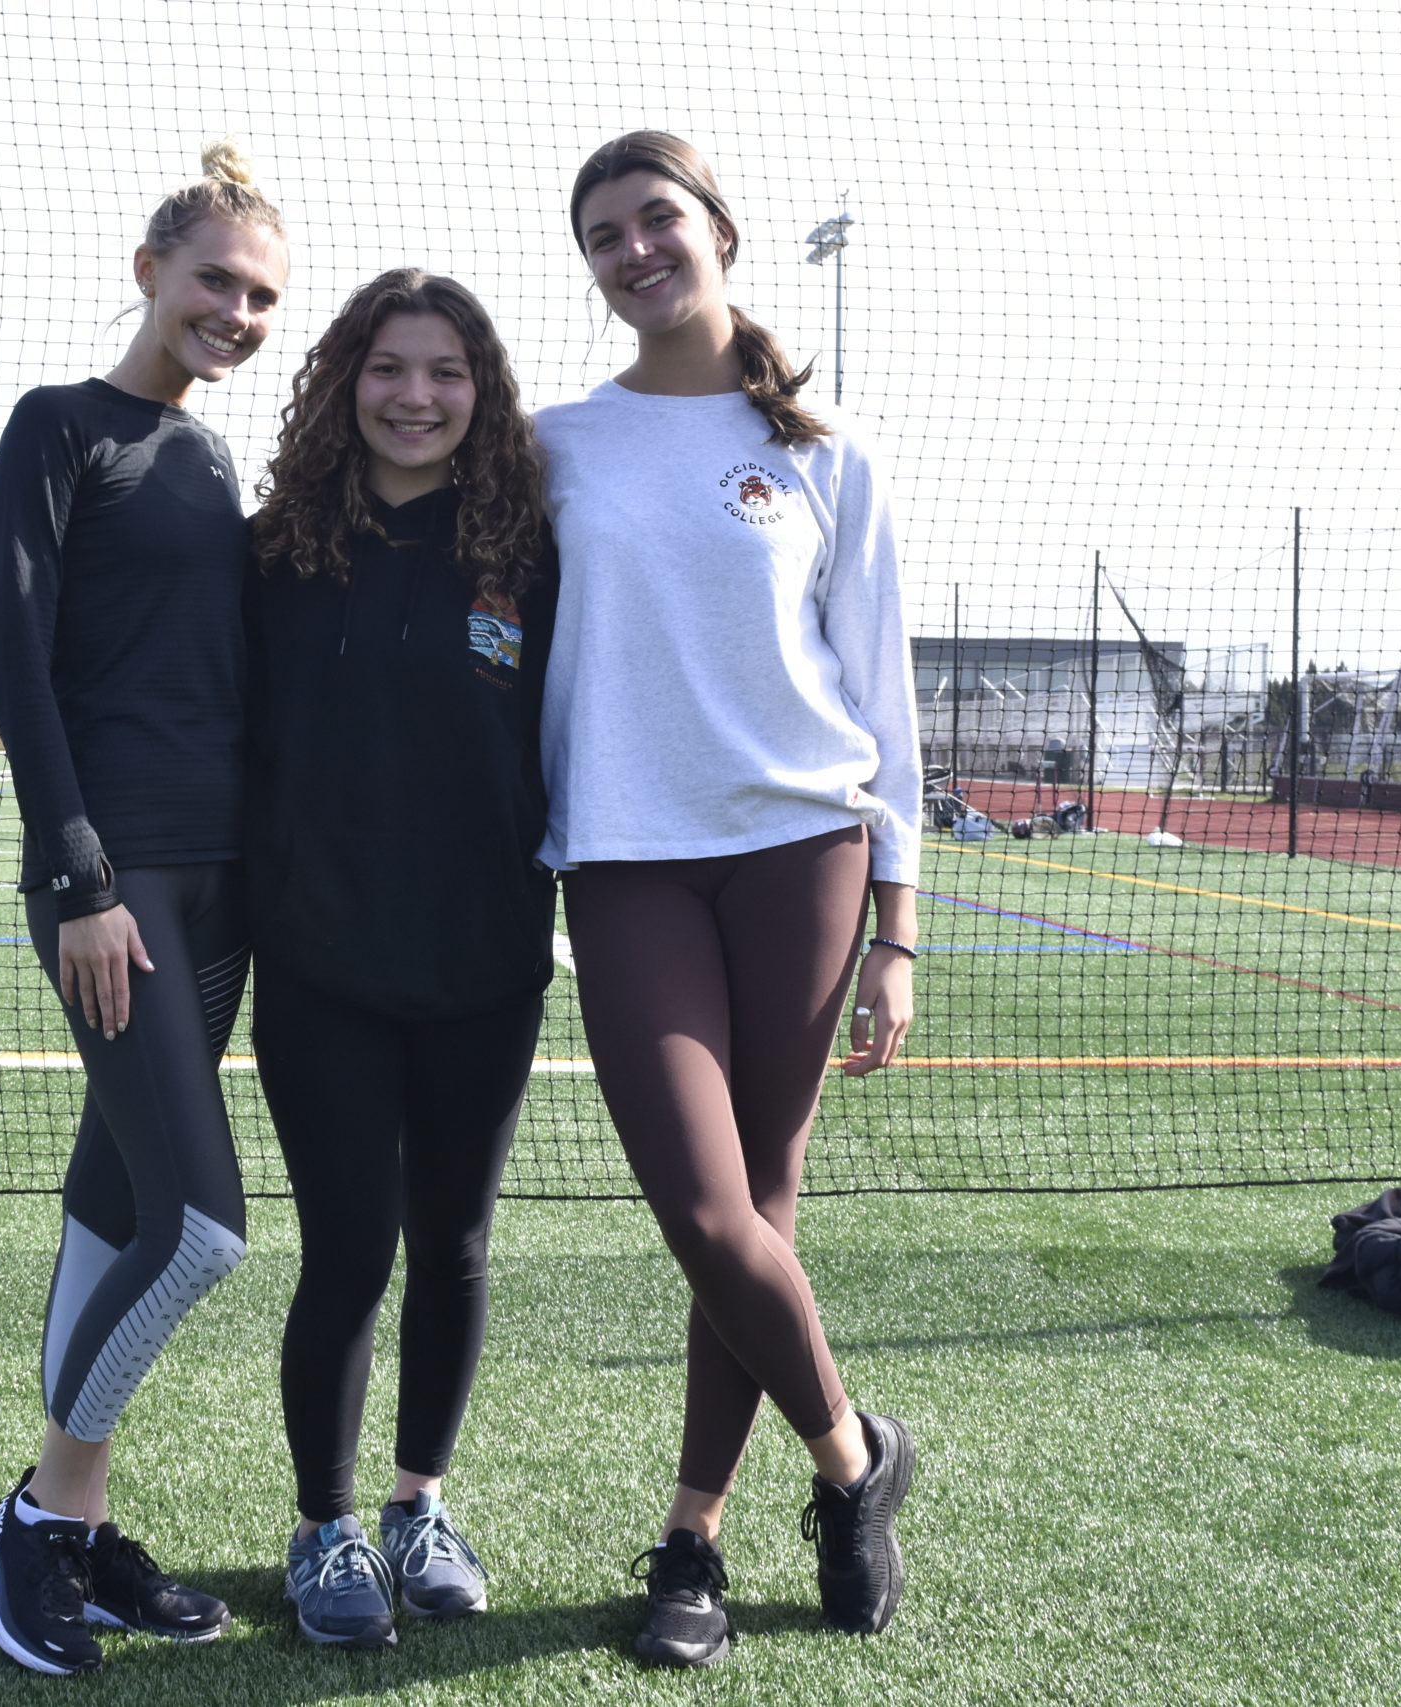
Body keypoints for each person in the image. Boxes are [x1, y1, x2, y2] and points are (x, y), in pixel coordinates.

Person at [541, 132, 924, 1666]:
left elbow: (883, 704)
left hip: (803, 861)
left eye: (656, 220)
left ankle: (691, 1538)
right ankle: (856, 1464)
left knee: (756, 1210)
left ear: (720, 232)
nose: (633, 250)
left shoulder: (828, 458)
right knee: (708, 1213)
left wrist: (899, 926)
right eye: (603, 236)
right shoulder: (552, 443)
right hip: (624, 860)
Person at [0, 139, 288, 1679]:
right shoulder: (58, 428)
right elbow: (16, 662)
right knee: (205, 1231)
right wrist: (80, 876)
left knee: (114, 1204)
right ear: (149, 268)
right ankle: (36, 1516)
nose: (238, 310)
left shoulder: (217, 462)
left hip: (221, 891)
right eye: (217, 279)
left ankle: (75, 1537)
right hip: (117, 886)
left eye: (263, 296)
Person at [244, 269, 557, 1648]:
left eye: (445, 372)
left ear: (479, 392)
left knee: (457, 1244)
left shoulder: (533, 556)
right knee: (349, 1251)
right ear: (342, 382)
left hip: (487, 965)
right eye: (388, 368)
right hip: (320, 964)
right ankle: (325, 1529)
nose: (416, 396)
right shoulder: (275, 553)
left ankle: (417, 1504)